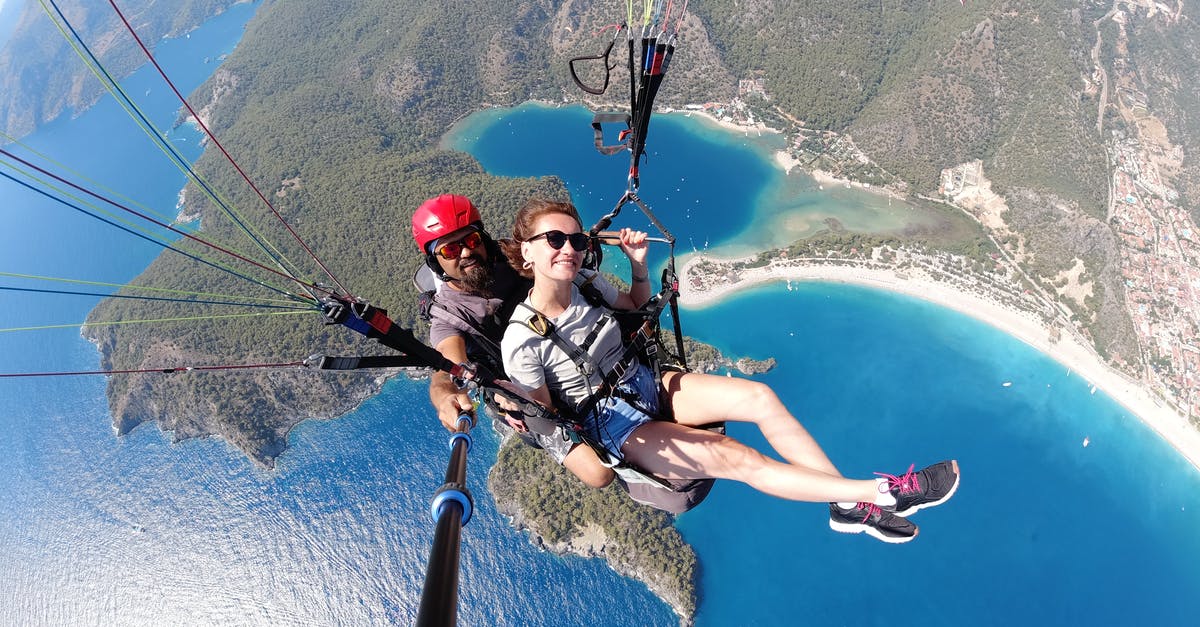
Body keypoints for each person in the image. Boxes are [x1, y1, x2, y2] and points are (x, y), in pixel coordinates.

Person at [499, 197, 960, 543]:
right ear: (528, 253)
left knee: (759, 398)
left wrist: (639, 268)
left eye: (577, 240)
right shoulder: (522, 340)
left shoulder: (586, 281)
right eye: (555, 240)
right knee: (738, 458)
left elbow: (637, 307)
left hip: (643, 383)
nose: (571, 249)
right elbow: (552, 419)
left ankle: (844, 505)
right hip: (614, 427)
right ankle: (880, 494)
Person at [411, 194, 614, 489]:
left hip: (576, 348)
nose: (466, 253)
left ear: (483, 238)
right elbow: (447, 364)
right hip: (527, 391)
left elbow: (557, 248)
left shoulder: (513, 256)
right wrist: (444, 395)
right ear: (435, 261)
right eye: (450, 249)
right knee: (599, 474)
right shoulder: (449, 313)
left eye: (471, 241)